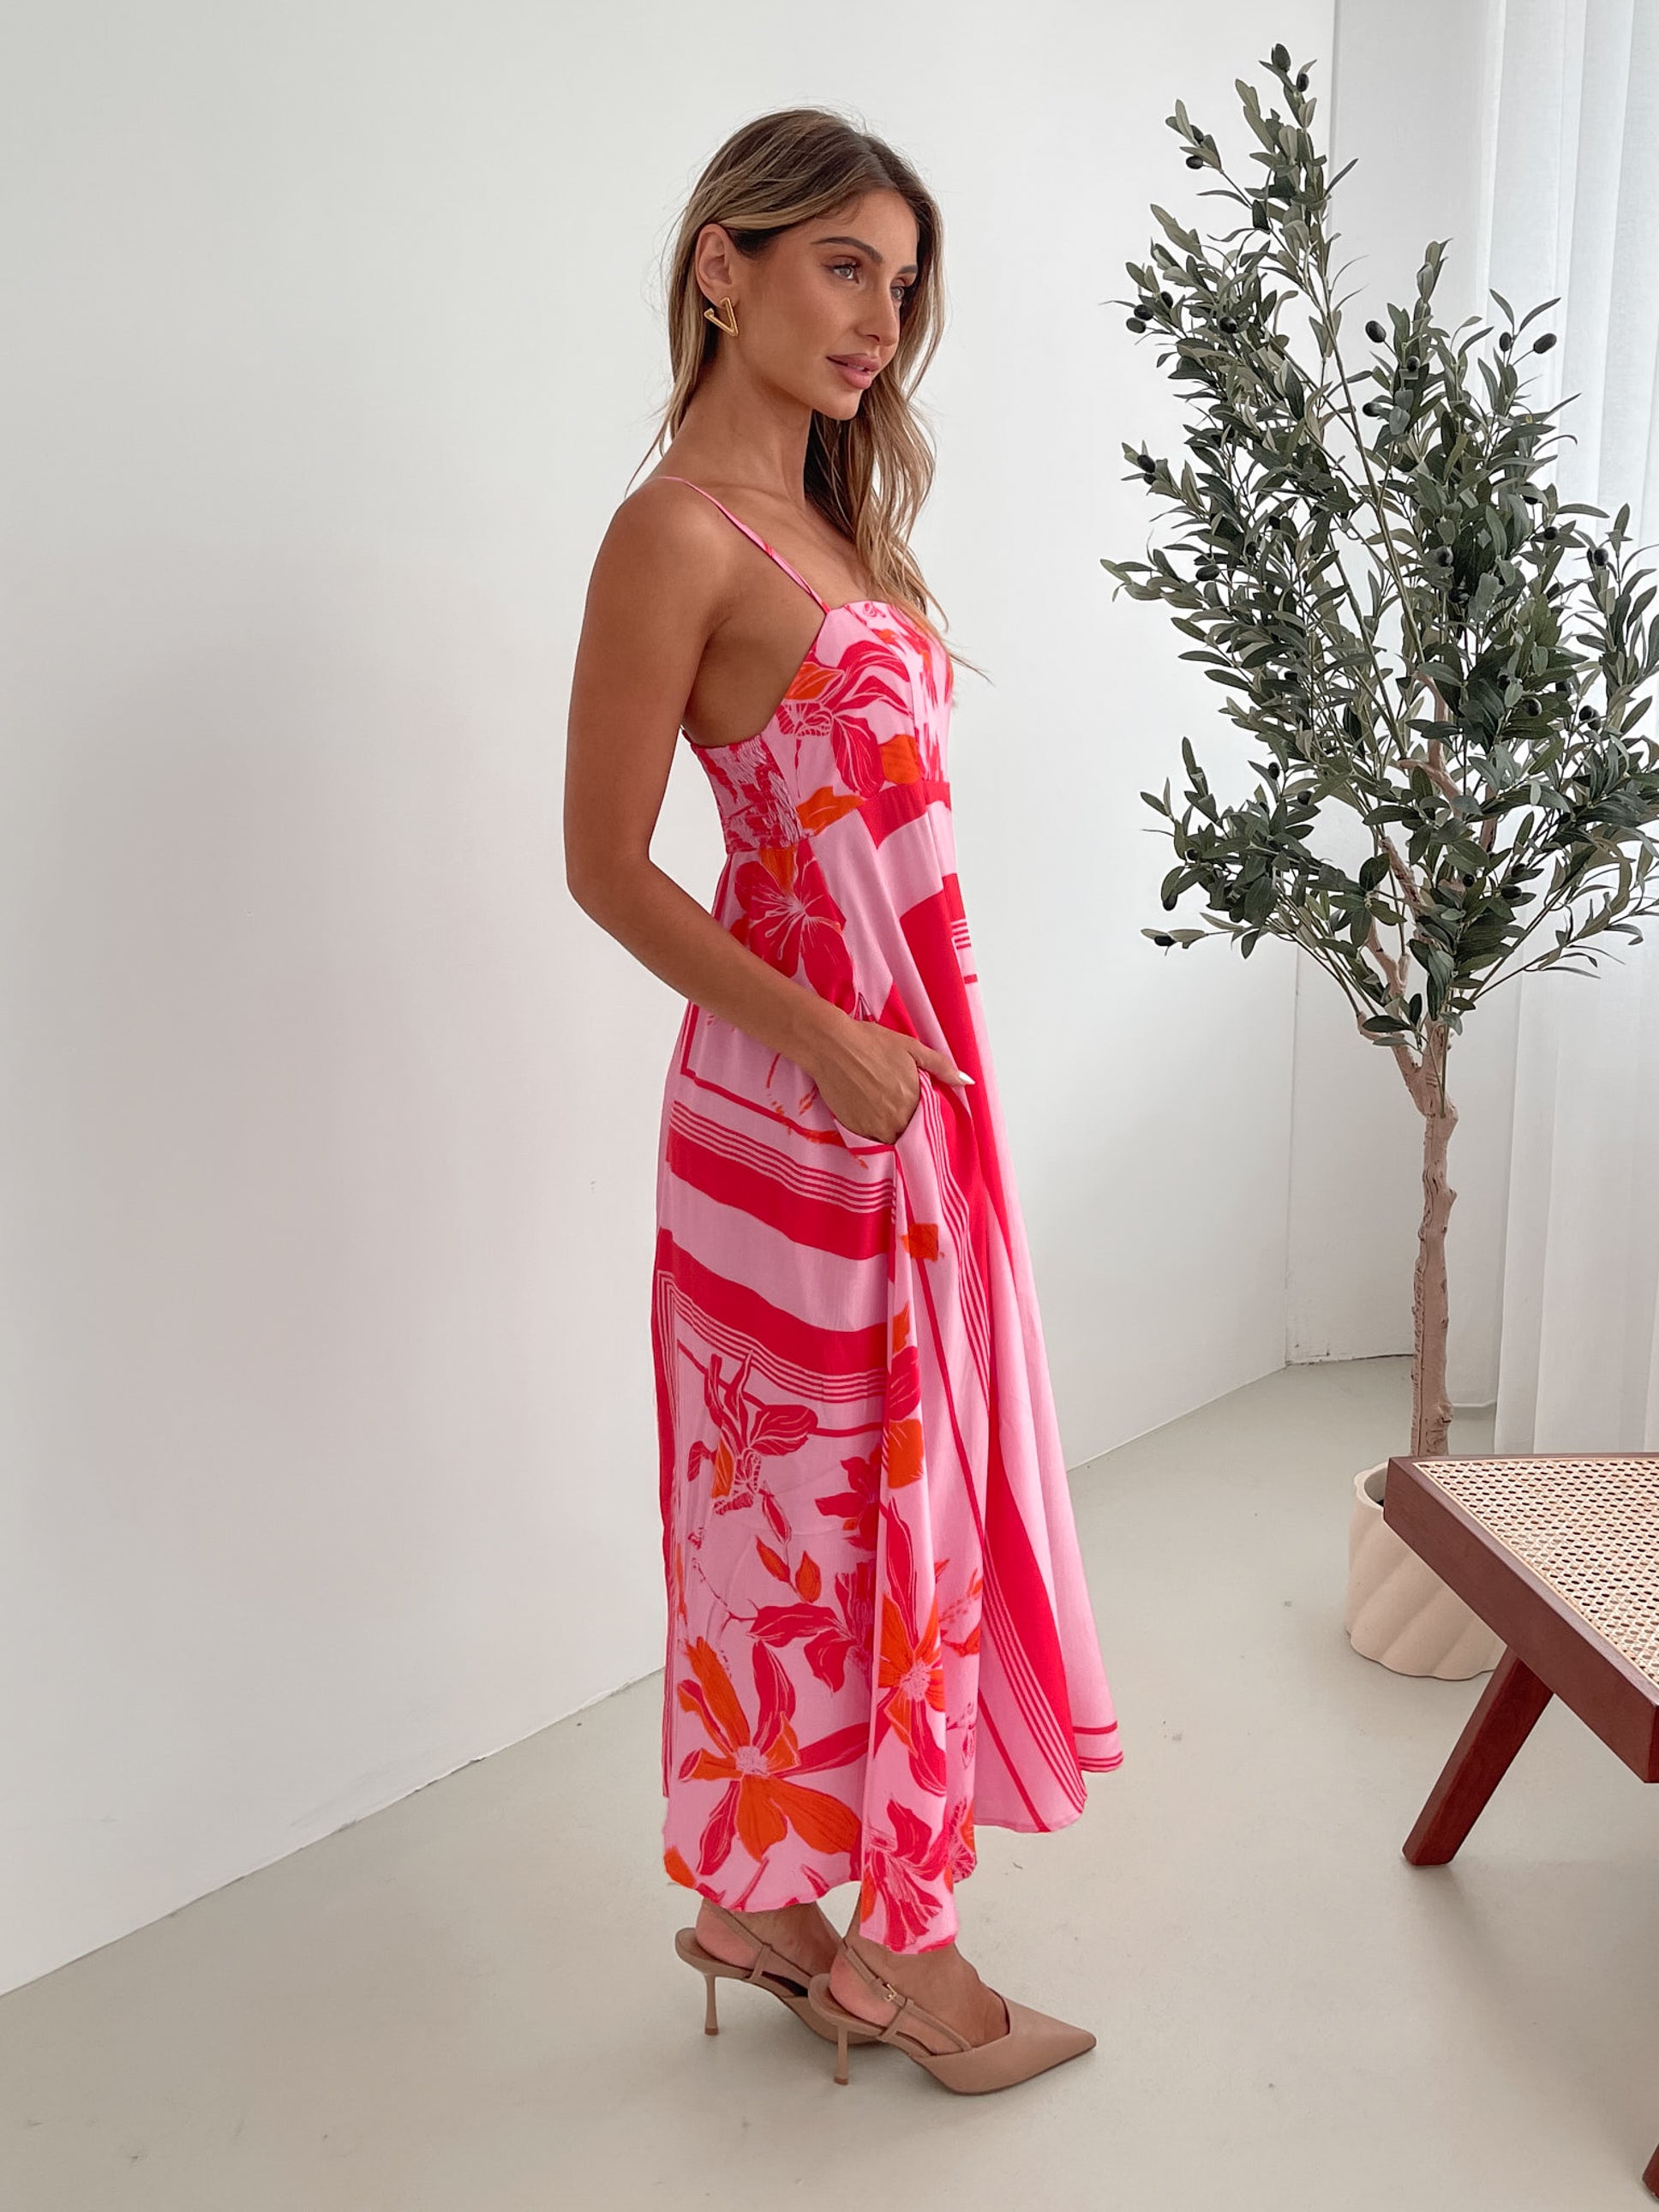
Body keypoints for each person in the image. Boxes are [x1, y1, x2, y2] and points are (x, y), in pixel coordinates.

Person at [564, 105, 1123, 2093]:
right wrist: (819, 1038)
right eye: (838, 266)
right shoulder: (674, 537)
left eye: (901, 282)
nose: (880, 316)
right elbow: (606, 863)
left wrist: (894, 1058)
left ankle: (774, 1906)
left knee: (856, 1515)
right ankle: (911, 1955)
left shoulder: (835, 526)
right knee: (822, 1529)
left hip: (900, 1100)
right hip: (787, 1124)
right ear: (722, 263)